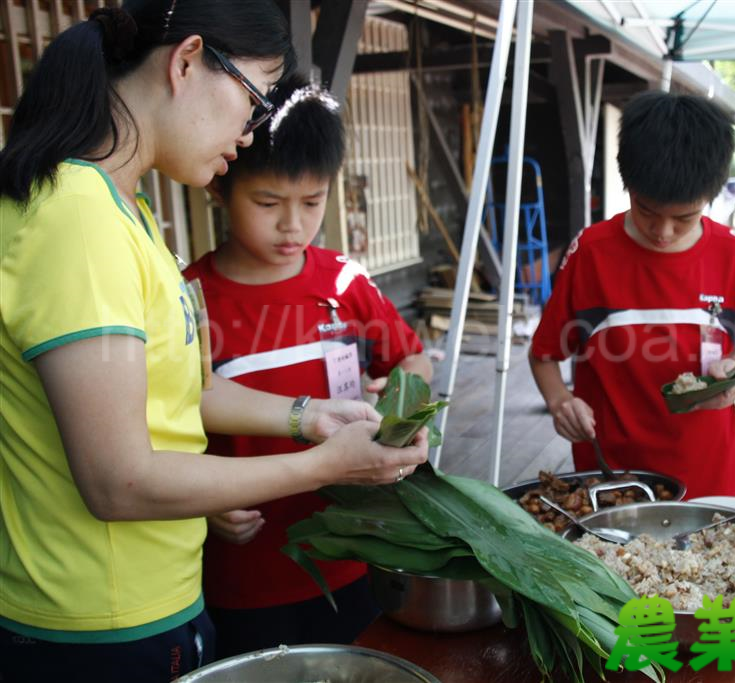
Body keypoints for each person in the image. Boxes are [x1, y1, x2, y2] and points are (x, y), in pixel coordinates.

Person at [0, 3, 427, 681]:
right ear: (187, 62)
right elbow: (119, 481)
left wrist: (309, 416)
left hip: (151, 600)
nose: (253, 131)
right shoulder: (76, 220)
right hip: (95, 622)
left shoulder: (125, 209)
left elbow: (184, 391)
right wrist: (323, 465)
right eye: (254, 99)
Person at [182, 76, 432, 657]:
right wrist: (206, 502)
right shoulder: (189, 298)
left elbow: (410, 356)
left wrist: (401, 401)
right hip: (244, 571)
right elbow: (162, 422)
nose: (293, 225)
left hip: (354, 553)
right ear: (221, 187)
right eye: (268, 203)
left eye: (312, 202)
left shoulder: (344, 280)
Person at [529, 91, 735, 499]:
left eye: (684, 217)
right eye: (646, 211)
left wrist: (732, 374)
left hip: (705, 468)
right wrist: (559, 402)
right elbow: (544, 354)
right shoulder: (592, 252)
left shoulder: (731, 254)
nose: (663, 231)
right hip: (610, 472)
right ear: (628, 186)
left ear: (710, 198)